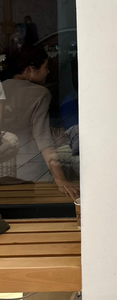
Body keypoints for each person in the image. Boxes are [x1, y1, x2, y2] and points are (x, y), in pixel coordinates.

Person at [1, 47, 79, 196]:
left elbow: (19, 126)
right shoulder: (40, 94)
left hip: (3, 171)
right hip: (30, 175)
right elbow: (43, 140)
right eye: (45, 67)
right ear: (30, 69)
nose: (48, 72)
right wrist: (60, 180)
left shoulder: (2, 87)